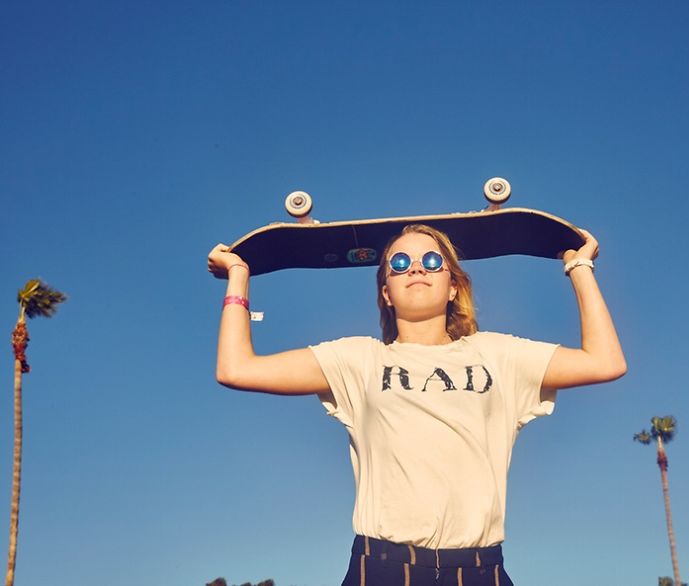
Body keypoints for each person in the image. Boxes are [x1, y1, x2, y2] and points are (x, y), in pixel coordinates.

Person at [208, 223, 626, 586]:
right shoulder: (358, 360)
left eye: (431, 260)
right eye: (400, 263)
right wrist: (239, 277)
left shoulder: (499, 355)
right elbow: (236, 369)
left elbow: (605, 361)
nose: (417, 269)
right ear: (386, 293)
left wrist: (579, 266)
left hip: (480, 569)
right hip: (382, 567)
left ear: (454, 285)